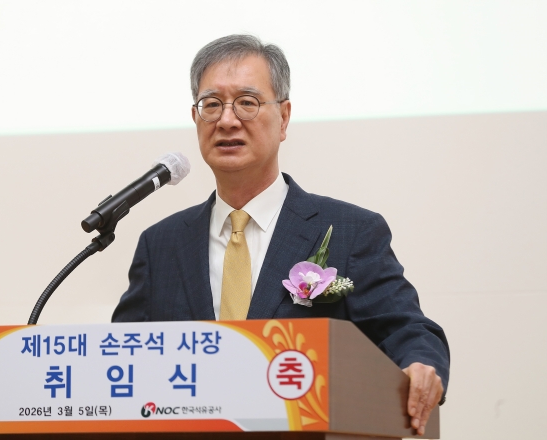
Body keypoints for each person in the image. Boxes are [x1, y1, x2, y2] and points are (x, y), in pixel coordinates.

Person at [112, 34, 449, 436]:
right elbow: (123, 356)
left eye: (247, 102)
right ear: (195, 117)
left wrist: (420, 363)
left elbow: (406, 330)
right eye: (211, 104)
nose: (227, 120)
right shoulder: (161, 244)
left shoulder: (351, 231)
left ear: (284, 117)